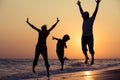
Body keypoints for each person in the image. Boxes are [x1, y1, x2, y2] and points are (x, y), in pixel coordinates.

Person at [77, 0, 101, 65]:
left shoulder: (91, 19)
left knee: (91, 49)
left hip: (90, 36)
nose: (82, 16)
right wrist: (79, 5)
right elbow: (81, 11)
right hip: (83, 36)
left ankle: (92, 58)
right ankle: (86, 57)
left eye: (83, 15)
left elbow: (95, 12)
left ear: (86, 15)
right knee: (83, 48)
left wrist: (97, 4)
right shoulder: (84, 19)